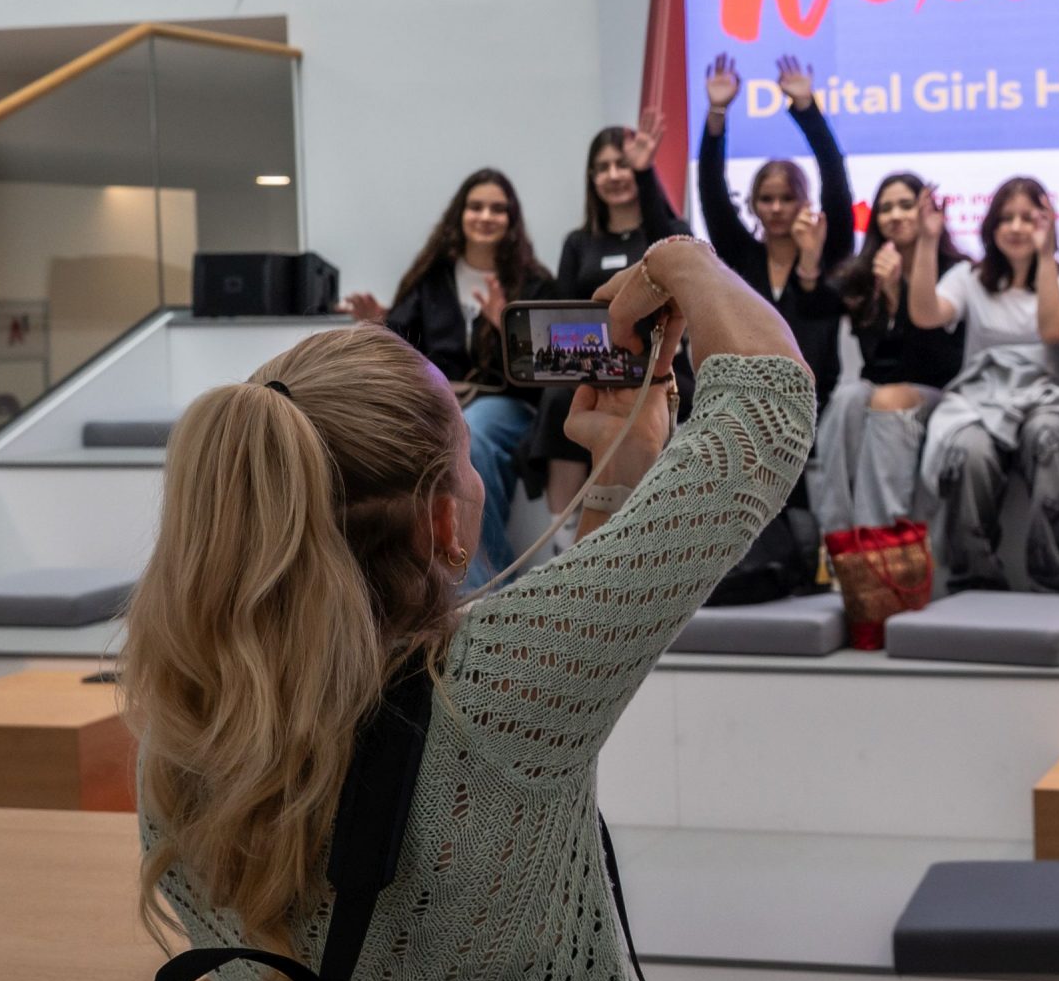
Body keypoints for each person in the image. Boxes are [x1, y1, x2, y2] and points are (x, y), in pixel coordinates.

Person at [125, 236, 814, 981]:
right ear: (445, 521)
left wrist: (615, 482)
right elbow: (766, 411)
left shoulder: (180, 736)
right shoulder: (497, 686)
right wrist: (681, 259)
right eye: (465, 459)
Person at [342, 168, 553, 587]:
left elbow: (547, 371)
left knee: (470, 433)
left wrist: (506, 328)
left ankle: (488, 589)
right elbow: (403, 350)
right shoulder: (432, 277)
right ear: (460, 215)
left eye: (497, 209)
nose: (486, 216)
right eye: (476, 207)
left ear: (512, 219)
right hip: (440, 399)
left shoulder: (534, 282)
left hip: (507, 403)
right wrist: (377, 326)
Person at [908, 177, 1059, 593]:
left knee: (1051, 436)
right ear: (991, 227)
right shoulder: (970, 277)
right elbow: (925, 314)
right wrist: (926, 242)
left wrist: (1044, 259)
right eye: (1007, 218)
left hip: (1048, 395)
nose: (1018, 227)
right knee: (968, 451)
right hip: (982, 398)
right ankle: (975, 578)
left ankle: (1053, 577)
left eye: (1029, 217)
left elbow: (1054, 329)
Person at [528, 125, 691, 534]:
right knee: (554, 401)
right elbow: (563, 316)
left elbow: (676, 252)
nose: (614, 174)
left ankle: (643, 532)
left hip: (656, 364)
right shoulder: (578, 242)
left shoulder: (665, 230)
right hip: (592, 366)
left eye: (623, 164)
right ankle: (562, 538)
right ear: (591, 178)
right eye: (603, 167)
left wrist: (646, 172)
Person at [696, 52, 855, 406]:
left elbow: (834, 173)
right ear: (753, 204)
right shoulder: (739, 254)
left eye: (788, 198)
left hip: (820, 403)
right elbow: (711, 189)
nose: (778, 208)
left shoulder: (831, 248)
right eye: (767, 199)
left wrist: (806, 107)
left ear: (804, 201)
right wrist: (717, 114)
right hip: (749, 404)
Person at [812, 171, 967, 532]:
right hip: (879, 389)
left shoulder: (955, 273)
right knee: (850, 396)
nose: (895, 215)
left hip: (938, 391)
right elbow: (819, 311)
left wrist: (898, 294)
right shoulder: (864, 274)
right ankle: (835, 536)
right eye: (885, 208)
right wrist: (810, 258)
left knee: (888, 398)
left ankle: (878, 538)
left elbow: (932, 361)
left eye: (905, 205)